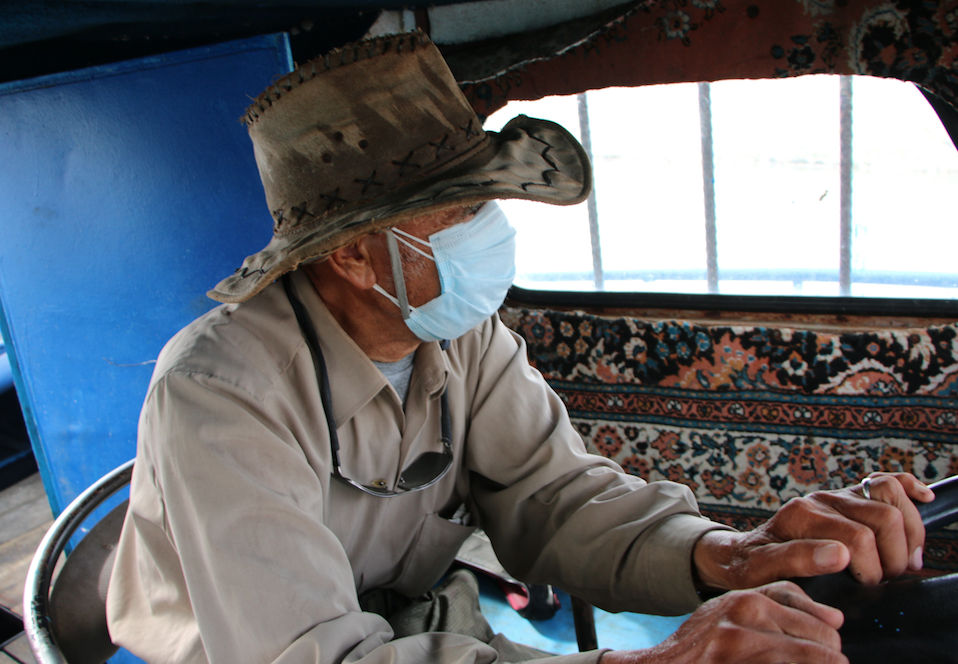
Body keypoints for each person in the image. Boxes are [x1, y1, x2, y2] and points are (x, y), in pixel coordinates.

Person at [106, 31, 934, 664]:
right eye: (456, 213)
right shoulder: (219, 394)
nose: (489, 231)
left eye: (485, 204)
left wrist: (728, 554)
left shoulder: (460, 337)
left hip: (395, 622)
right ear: (352, 254)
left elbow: (556, 497)